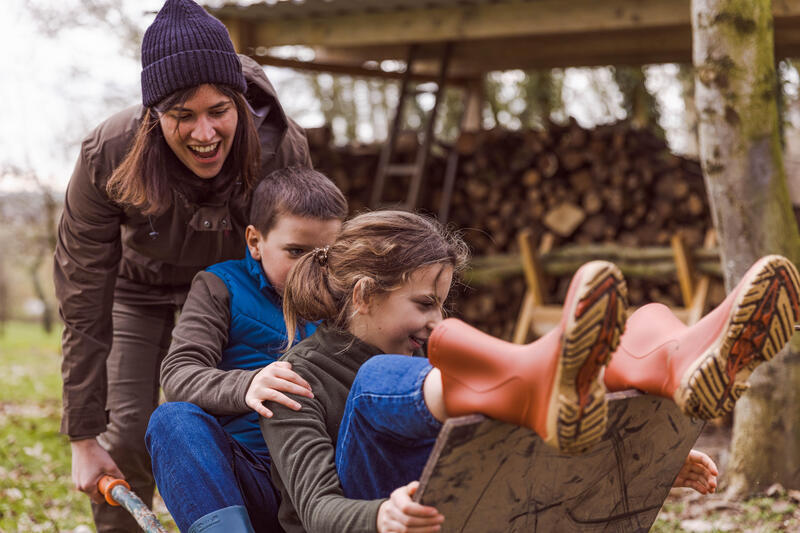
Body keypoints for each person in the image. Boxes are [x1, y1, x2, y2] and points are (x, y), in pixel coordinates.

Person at [260, 210, 796, 533]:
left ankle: (667, 360)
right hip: (378, 523)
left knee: (645, 321)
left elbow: (515, 456)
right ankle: (549, 373)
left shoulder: (427, 365)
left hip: (461, 515)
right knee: (383, 382)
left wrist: (632, 450)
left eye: (441, 304)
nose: (435, 321)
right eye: (424, 303)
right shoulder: (295, 378)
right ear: (363, 296)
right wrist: (381, 517)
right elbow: (316, 510)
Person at [53, 0, 311, 529]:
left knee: (257, 412)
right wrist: (83, 435)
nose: (204, 133)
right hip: (138, 290)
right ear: (154, 116)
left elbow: (307, 259)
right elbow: (84, 296)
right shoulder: (108, 153)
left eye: (218, 111)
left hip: (230, 286)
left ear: (239, 103)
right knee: (125, 434)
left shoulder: (281, 149)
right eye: (182, 116)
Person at [144, 167, 347, 532]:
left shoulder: (348, 302)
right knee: (171, 421)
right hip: (245, 479)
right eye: (295, 251)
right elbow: (179, 373)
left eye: (325, 256)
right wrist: (247, 385)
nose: (311, 269)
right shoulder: (220, 286)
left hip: (319, 485)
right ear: (255, 242)